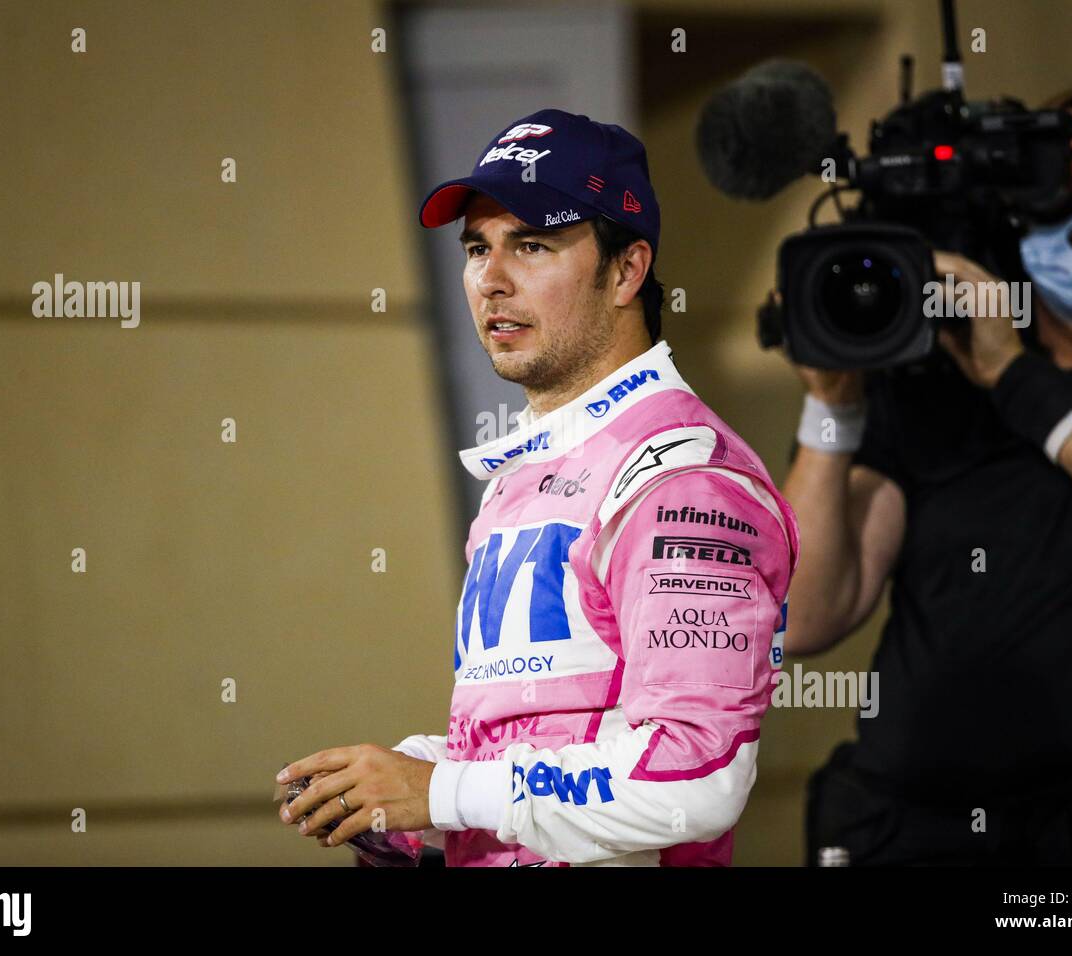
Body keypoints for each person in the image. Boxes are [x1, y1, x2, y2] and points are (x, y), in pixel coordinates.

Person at [276, 108, 799, 866]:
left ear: (627, 270)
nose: (491, 280)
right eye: (477, 248)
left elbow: (698, 772)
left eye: (532, 245)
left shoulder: (684, 478)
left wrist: (441, 791)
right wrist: (397, 793)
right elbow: (531, 733)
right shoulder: (522, 479)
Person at [784, 85, 1072, 865]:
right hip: (916, 836)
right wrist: (832, 409)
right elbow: (803, 616)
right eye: (1061, 181)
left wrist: (1021, 383)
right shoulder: (939, 372)